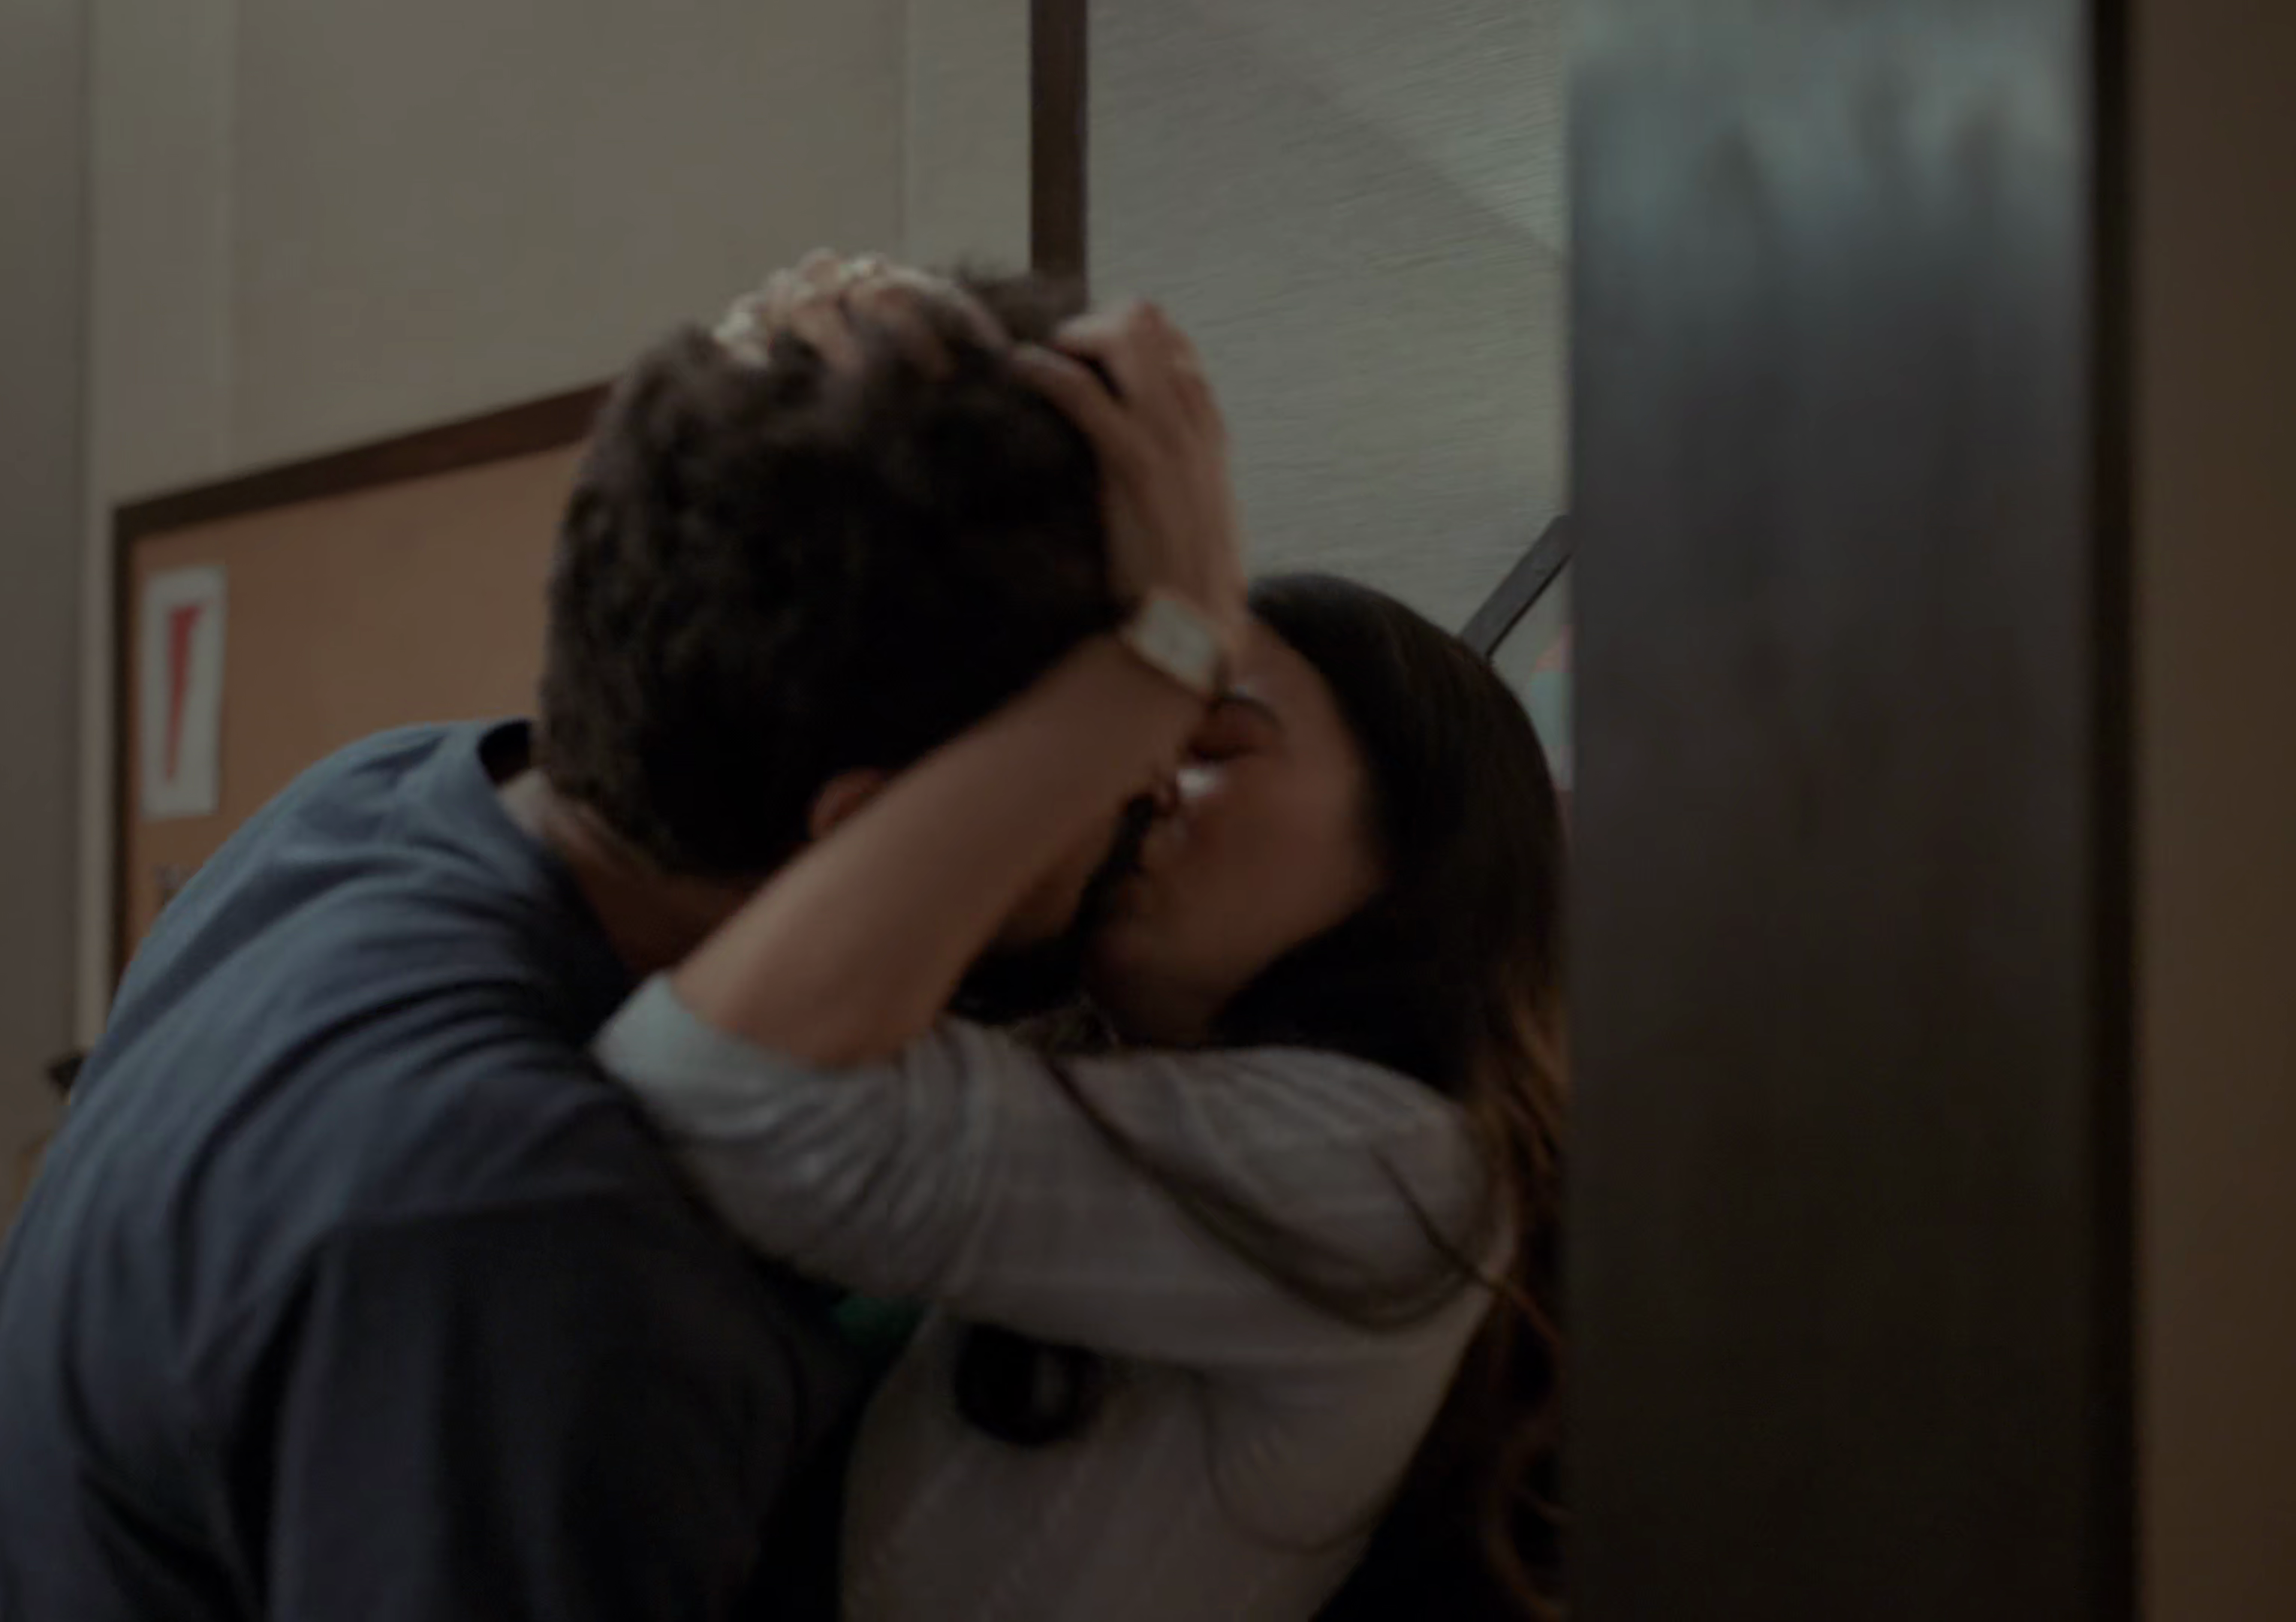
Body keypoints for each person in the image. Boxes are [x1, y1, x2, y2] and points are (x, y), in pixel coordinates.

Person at [0, 256, 1164, 1622]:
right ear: (866, 830)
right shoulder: (525, 1219)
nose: (1149, 790)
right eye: (1109, 749)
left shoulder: (364, 801)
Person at [591, 296, 1566, 1620]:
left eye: (1212, 744)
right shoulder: (1099, 1066)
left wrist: (1164, 647)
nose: (1140, 778)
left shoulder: (1395, 1175)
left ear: (1420, 847)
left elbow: (711, 1091)